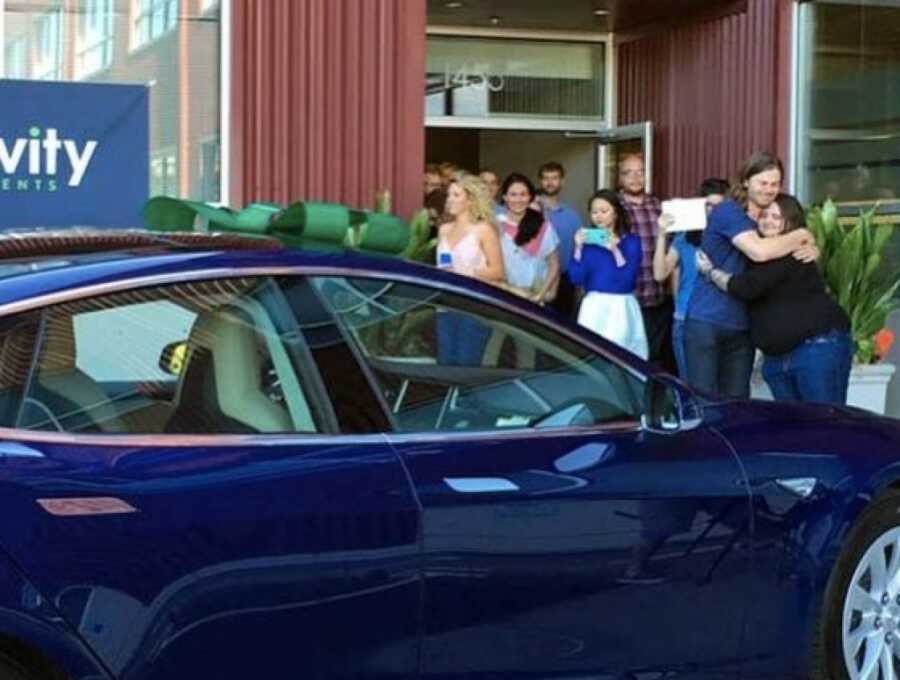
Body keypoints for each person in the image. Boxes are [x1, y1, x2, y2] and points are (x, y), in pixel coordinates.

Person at [684, 152, 817, 398]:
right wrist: (801, 235)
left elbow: (781, 255)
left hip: (744, 325)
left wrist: (811, 246)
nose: (769, 189)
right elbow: (758, 252)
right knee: (703, 402)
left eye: (774, 184)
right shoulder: (728, 211)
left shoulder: (769, 221)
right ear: (746, 181)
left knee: (738, 405)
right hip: (707, 321)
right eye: (763, 183)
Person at [697, 193, 852, 405]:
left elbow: (747, 287)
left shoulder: (792, 251)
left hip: (815, 350)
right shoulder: (757, 252)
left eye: (777, 217)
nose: (768, 221)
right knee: (794, 434)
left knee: (826, 427)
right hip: (777, 361)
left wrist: (710, 272)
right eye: (764, 215)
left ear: (791, 223)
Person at [652, 178, 729, 378]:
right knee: (691, 386)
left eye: (719, 206)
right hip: (686, 317)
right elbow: (660, 273)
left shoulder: (734, 237)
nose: (712, 211)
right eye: (708, 205)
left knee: (721, 386)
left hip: (721, 319)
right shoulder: (685, 237)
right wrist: (661, 234)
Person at [568, 189, 648, 359]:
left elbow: (627, 280)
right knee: (591, 356)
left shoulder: (631, 241)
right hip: (593, 306)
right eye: (594, 212)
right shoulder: (588, 243)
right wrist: (578, 248)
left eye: (604, 211)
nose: (599, 216)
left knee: (622, 357)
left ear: (616, 213)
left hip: (620, 307)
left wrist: (615, 251)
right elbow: (576, 278)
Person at [435, 173, 505, 365]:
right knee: (445, 362)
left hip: (474, 306)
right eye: (449, 195)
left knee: (467, 363)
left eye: (456, 195)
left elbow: (498, 271)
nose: (450, 200)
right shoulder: (444, 229)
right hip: (446, 305)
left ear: (470, 199)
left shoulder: (484, 230)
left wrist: (467, 272)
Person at [617, 154, 675, 371]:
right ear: (619, 177)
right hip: (626, 299)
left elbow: (674, 246)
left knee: (655, 358)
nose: (635, 177)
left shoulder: (659, 206)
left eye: (640, 171)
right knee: (626, 357)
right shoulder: (613, 208)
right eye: (628, 172)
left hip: (657, 297)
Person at [496, 173, 561, 305]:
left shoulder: (543, 226)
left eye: (523, 194)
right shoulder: (496, 225)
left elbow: (554, 264)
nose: (518, 199)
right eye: (513, 194)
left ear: (530, 197)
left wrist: (541, 294)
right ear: (505, 197)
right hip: (502, 296)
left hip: (533, 299)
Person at [537, 161, 583, 320]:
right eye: (546, 178)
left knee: (563, 329)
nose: (550, 182)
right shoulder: (530, 210)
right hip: (536, 279)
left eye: (555, 178)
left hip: (565, 281)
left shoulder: (573, 216)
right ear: (540, 181)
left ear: (562, 181)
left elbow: (579, 251)